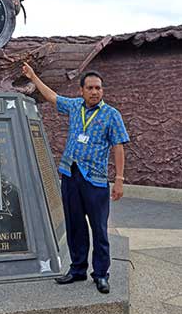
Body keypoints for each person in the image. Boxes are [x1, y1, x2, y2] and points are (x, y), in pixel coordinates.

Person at [22, 63, 129, 294]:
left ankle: (101, 274)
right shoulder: (74, 106)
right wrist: (33, 77)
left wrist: (119, 179)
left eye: (98, 88)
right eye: (90, 88)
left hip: (96, 180)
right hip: (70, 176)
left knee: (99, 229)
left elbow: (119, 146)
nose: (94, 92)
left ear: (102, 91)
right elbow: (52, 96)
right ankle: (78, 269)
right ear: (81, 90)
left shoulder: (111, 115)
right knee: (75, 226)